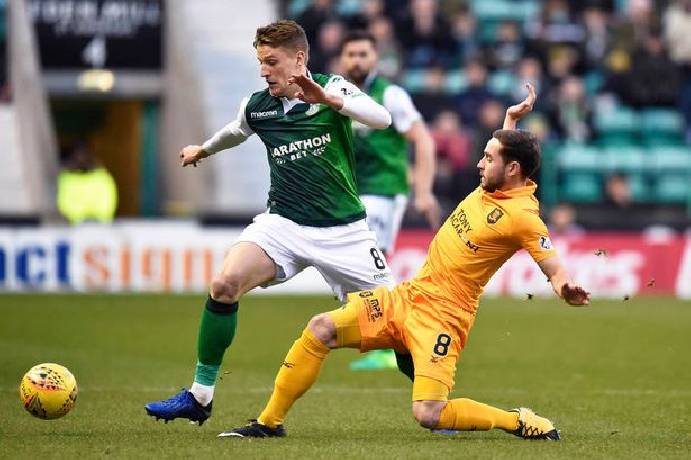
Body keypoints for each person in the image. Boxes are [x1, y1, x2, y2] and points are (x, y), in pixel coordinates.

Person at [220, 84, 591, 440]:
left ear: (512, 169)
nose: (480, 163)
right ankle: (269, 423)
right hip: (408, 297)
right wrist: (510, 121)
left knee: (429, 414)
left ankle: (517, 421)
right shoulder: (494, 184)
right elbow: (508, 153)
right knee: (321, 328)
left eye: (488, 158)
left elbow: (552, 264)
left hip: (443, 318)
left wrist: (564, 286)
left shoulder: (523, 215)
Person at [144, 20, 398, 425]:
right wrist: (203, 150)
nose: (263, 71)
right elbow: (235, 131)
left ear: (299, 59)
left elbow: (382, 118)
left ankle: (436, 404)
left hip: (345, 232)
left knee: (398, 328)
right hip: (283, 224)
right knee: (225, 284)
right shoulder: (258, 106)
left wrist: (329, 98)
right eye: (260, 62)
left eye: (271, 62)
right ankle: (200, 396)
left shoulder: (335, 87)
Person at [338, 30, 440, 371]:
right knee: (354, 269)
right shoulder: (336, 94)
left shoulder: (391, 95)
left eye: (363, 54)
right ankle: (386, 334)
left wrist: (423, 191)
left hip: (384, 190)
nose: (356, 60)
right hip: (350, 192)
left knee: (371, 264)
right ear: (342, 58)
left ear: (375, 58)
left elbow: (423, 140)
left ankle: (390, 341)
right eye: (351, 54)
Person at [57, 143, 117, 224]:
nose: (81, 158)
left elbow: (107, 199)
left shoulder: (102, 176)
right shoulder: (65, 177)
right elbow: (63, 201)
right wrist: (76, 217)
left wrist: (101, 217)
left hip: (100, 223)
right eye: (78, 155)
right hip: (75, 224)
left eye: (83, 154)